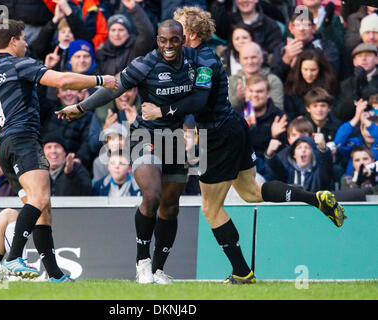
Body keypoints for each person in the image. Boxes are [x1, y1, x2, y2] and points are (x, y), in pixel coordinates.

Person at [139, 6, 345, 285]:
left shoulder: (204, 60)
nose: (174, 33)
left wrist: (160, 113)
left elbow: (198, 102)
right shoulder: (197, 57)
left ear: (192, 32)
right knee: (251, 192)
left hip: (216, 136)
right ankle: (314, 198)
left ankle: (242, 272)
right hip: (233, 127)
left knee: (211, 210)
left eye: (179, 28)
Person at [0, 19, 118, 282]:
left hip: (5, 147)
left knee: (42, 208)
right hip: (24, 140)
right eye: (23, 39)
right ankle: (13, 258)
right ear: (13, 41)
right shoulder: (21, 64)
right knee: (41, 199)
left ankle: (55, 275)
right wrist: (101, 79)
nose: (26, 44)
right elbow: (63, 80)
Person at [57, 20, 205, 285]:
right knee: (152, 195)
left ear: (182, 39)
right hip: (144, 135)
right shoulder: (145, 64)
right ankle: (142, 262)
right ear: (157, 40)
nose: (168, 46)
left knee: (170, 207)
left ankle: (158, 270)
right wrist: (81, 107)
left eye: (174, 40)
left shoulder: (195, 61)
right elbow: (112, 89)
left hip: (172, 138)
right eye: (163, 40)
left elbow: (200, 99)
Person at [235, 74, 287, 179]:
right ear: (246, 92)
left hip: (268, 169)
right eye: (251, 91)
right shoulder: (235, 113)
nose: (254, 95)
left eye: (259, 91)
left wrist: (275, 137)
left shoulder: (278, 116)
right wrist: (242, 130)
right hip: (241, 167)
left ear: (268, 94)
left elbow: (284, 155)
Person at [270, 7, 340, 81]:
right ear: (291, 28)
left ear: (313, 28)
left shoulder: (326, 46)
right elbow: (274, 79)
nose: (301, 29)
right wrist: (286, 59)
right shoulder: (282, 49)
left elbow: (333, 74)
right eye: (297, 25)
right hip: (291, 90)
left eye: (306, 24)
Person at [95, 0, 155, 76]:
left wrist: (134, 8)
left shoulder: (136, 48)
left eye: (121, 30)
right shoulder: (101, 54)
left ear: (128, 32)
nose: (117, 34)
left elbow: (148, 34)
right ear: (108, 33)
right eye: (113, 30)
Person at [210, 0, 283, 57]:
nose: (244, 0)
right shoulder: (230, 22)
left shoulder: (271, 25)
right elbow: (216, 23)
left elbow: (276, 55)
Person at [266, 135, 333, 192]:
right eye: (299, 148)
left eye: (307, 148)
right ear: (294, 155)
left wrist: (323, 148)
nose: (303, 150)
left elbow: (326, 164)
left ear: (313, 154)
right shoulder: (287, 172)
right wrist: (269, 153)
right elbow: (275, 167)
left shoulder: (318, 173)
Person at [284, 49, 337, 121]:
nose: (309, 74)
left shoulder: (329, 85)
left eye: (313, 70)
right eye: (305, 69)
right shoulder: (292, 86)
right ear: (300, 69)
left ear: (320, 69)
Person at [228, 41, 284, 109]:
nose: (250, 62)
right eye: (246, 58)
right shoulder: (230, 81)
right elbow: (223, 111)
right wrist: (237, 98)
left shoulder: (272, 80)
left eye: (253, 57)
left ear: (261, 59)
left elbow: (278, 108)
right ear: (240, 61)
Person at [334, 99, 378, 178]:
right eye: (367, 128)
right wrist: (357, 117)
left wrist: (365, 120)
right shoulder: (355, 143)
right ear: (361, 129)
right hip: (353, 185)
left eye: (372, 128)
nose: (370, 132)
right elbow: (338, 142)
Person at [335, 43, 378, 123]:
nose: (364, 58)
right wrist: (357, 87)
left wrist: (365, 87)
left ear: (376, 59)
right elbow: (340, 113)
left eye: (368, 55)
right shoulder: (346, 84)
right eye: (359, 56)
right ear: (354, 62)